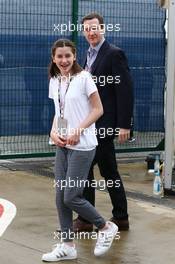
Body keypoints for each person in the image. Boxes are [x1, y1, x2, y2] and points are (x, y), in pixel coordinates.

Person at [42, 39, 118, 262]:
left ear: (75, 56)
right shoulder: (55, 80)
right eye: (59, 56)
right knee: (60, 197)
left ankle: (105, 227)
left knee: (71, 196)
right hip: (63, 145)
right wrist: (54, 132)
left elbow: (98, 109)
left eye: (68, 56)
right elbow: (60, 112)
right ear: (53, 58)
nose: (64, 60)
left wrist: (78, 130)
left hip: (83, 146)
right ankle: (68, 246)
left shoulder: (84, 78)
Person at [73, 13, 134, 232]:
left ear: (103, 29)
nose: (91, 33)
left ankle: (87, 219)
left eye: (94, 28)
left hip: (104, 125)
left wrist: (124, 124)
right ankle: (120, 216)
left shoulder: (114, 54)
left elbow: (125, 91)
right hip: (91, 125)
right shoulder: (88, 55)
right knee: (108, 171)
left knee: (88, 169)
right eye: (87, 29)